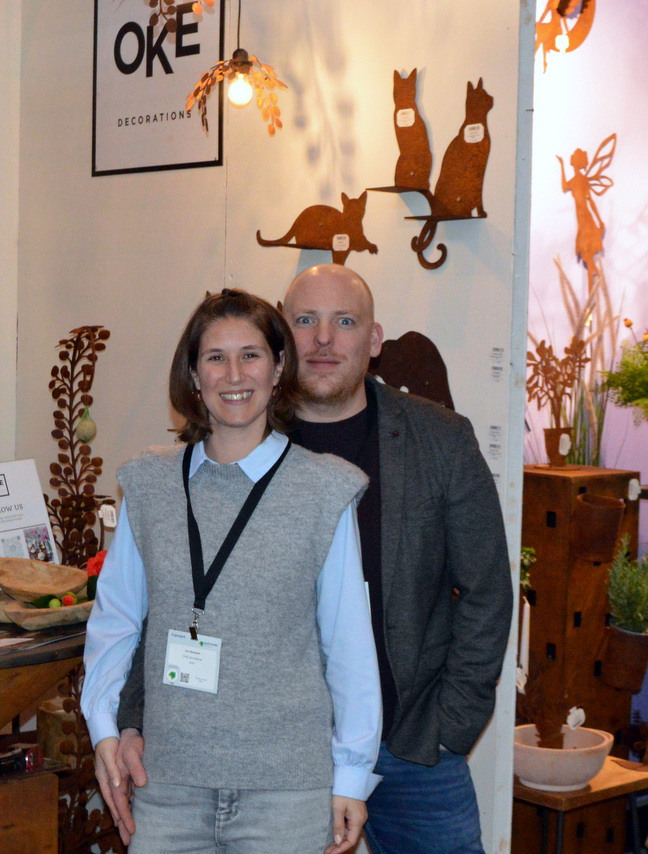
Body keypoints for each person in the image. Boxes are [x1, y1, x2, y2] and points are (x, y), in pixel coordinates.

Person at [111, 265, 512, 853]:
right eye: (305, 321)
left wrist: (452, 725)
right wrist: (135, 716)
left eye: (344, 322)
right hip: (275, 757)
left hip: (410, 743)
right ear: (281, 339)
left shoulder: (439, 439)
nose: (323, 339)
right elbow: (174, 597)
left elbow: (486, 590)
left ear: (374, 340)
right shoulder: (237, 432)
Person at [81, 288, 382, 854]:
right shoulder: (148, 485)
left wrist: (351, 776)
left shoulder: (325, 489)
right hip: (167, 789)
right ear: (194, 376)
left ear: (278, 368)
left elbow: (348, 647)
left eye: (251, 355)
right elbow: (115, 622)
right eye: (216, 357)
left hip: (287, 798)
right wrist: (104, 729)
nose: (235, 374)